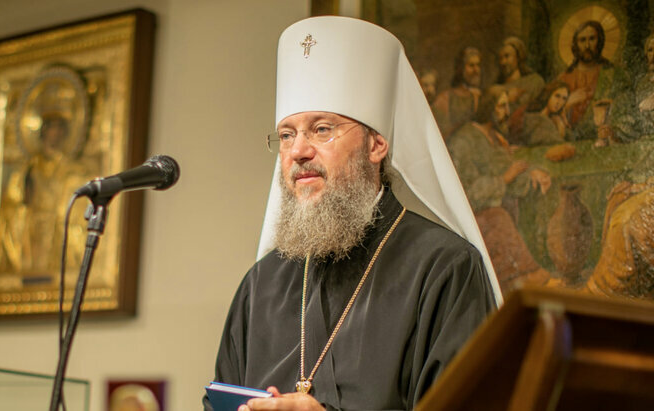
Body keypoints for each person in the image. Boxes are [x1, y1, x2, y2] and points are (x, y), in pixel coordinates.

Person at [205, 17, 499, 411]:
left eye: (322, 129)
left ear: (376, 144)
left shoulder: (445, 268)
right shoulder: (260, 285)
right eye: (287, 134)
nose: (298, 152)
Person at [447, 86, 551, 294]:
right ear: (489, 108)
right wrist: (504, 179)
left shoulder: (494, 137)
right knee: (499, 218)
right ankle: (521, 281)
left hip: (504, 205)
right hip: (473, 216)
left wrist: (531, 174)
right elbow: (466, 192)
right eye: (502, 106)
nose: (507, 111)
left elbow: (509, 169)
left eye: (507, 106)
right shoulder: (465, 140)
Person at [557, 20, 634, 144]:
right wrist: (568, 103)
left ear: (600, 41)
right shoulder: (564, 78)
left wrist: (613, 125)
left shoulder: (614, 74)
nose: (587, 45)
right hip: (572, 144)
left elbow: (627, 110)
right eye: (582, 40)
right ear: (575, 44)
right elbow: (549, 118)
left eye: (592, 39)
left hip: (605, 143)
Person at [432, 47, 482, 139]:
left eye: (478, 65)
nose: (476, 70)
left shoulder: (477, 97)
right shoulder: (445, 98)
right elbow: (439, 134)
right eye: (471, 65)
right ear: (461, 68)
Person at [508, 81, 571, 146]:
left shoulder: (555, 118)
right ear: (549, 95)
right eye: (557, 96)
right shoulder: (536, 115)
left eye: (564, 99)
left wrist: (563, 121)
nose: (559, 102)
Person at [495, 36, 545, 112]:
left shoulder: (535, 81)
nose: (503, 62)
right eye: (500, 58)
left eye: (507, 56)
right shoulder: (497, 88)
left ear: (518, 57)